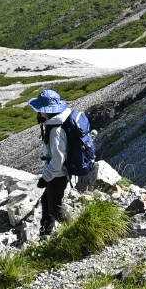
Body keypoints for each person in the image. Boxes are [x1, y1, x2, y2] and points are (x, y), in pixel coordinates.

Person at [28, 88, 95, 239]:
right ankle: (45, 233)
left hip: (58, 174)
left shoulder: (56, 130)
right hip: (59, 172)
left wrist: (45, 178)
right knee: (46, 200)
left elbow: (58, 160)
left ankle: (78, 234)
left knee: (56, 208)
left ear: (47, 111)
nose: (39, 113)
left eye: (40, 110)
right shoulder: (62, 118)